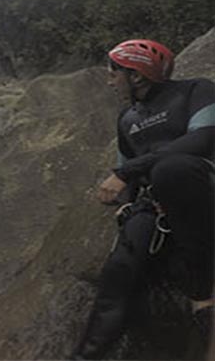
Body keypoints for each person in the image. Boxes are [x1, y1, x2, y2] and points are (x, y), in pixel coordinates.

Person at [72, 39, 215, 359]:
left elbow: (204, 138)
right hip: (157, 206)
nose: (109, 81)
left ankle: (203, 295)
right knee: (120, 270)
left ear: (136, 75)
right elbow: (128, 177)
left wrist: (128, 172)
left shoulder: (196, 90)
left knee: (171, 170)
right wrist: (124, 194)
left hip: (200, 186)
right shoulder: (127, 119)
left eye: (113, 74)